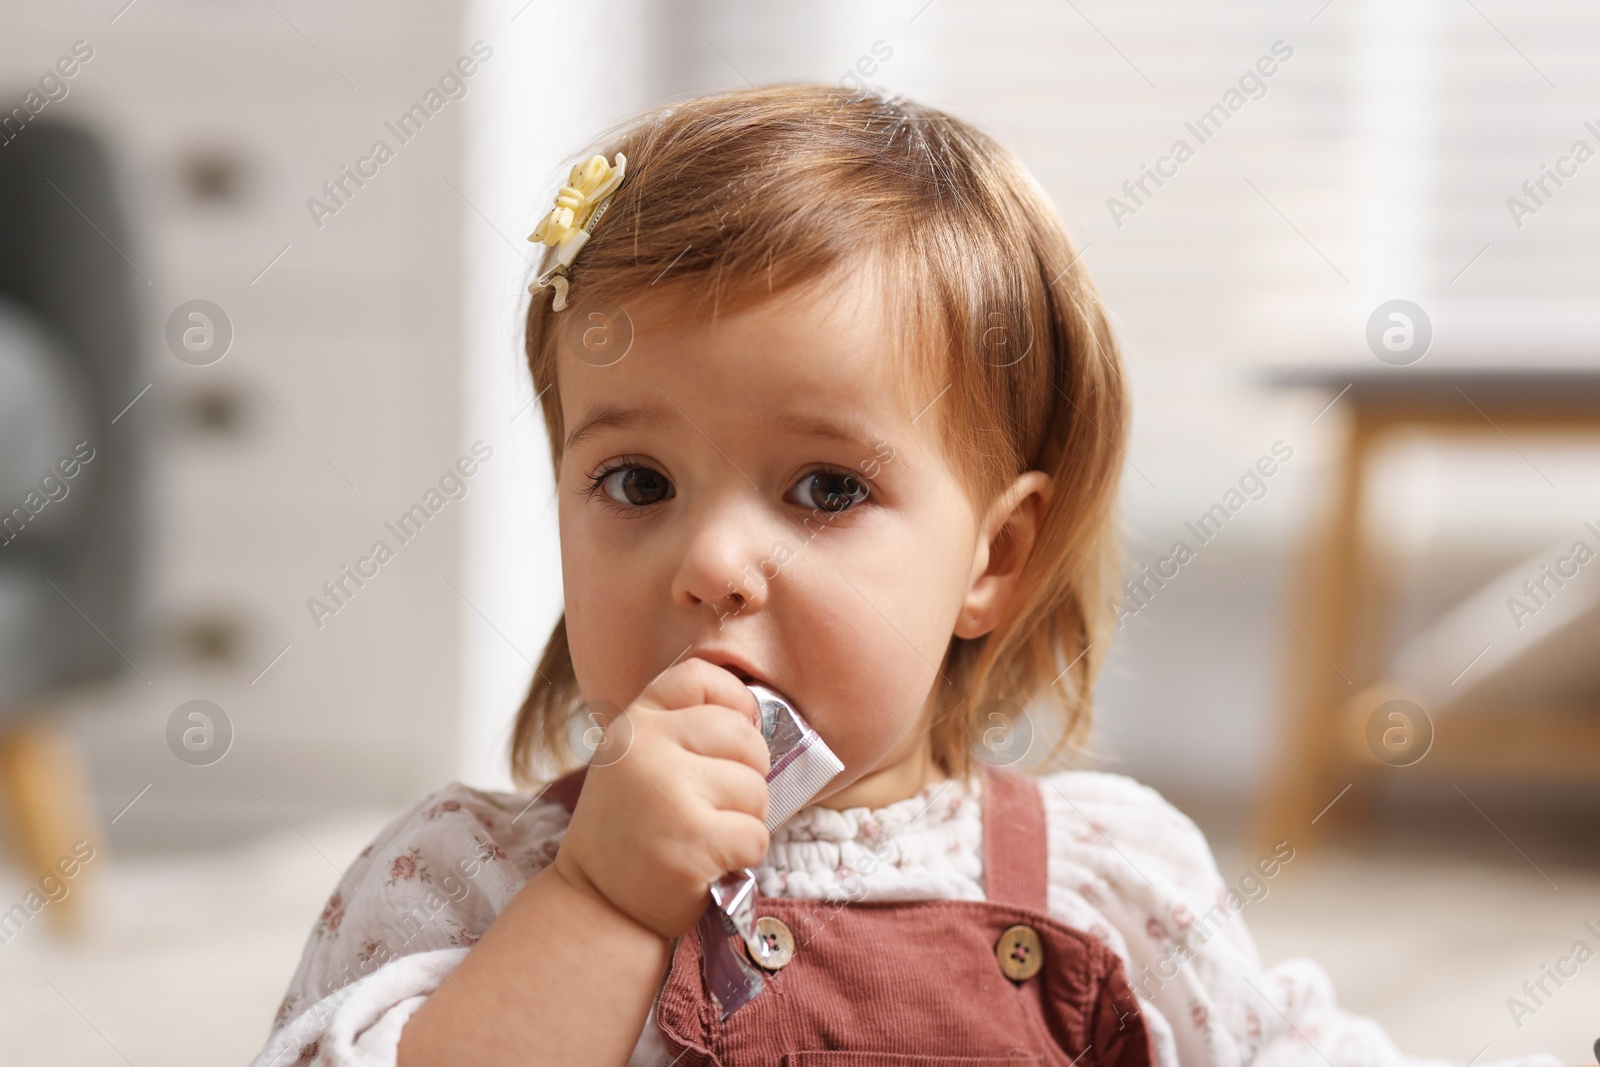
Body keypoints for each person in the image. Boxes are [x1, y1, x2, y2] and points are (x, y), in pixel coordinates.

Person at [249, 84, 1565, 1067]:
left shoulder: (1107, 882)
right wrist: (595, 903)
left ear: (993, 559)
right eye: (636, 482)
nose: (710, 564)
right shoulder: (464, 881)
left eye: (825, 490)